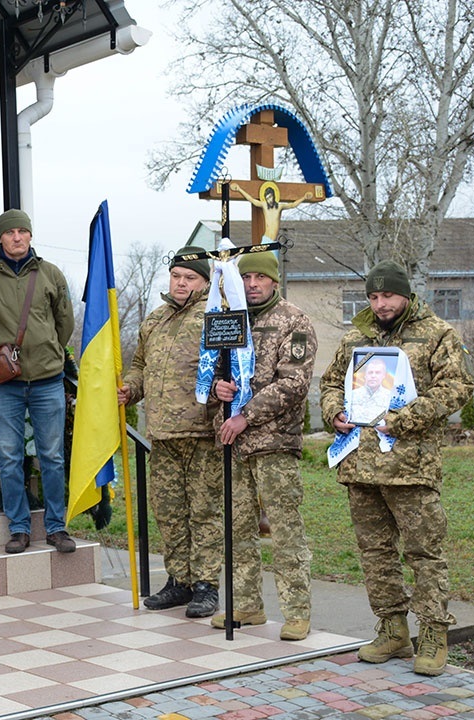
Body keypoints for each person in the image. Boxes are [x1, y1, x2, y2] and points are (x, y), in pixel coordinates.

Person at [320, 260, 473, 676]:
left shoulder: (437, 333)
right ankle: (393, 629)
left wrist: (404, 417)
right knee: (375, 553)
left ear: (406, 294)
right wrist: (333, 411)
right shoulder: (357, 337)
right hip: (359, 464)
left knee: (425, 551)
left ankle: (434, 633)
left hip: (410, 466)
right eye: (373, 296)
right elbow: (331, 383)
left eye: (388, 295)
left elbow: (457, 386)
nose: (381, 303)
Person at [213, 251, 317, 641]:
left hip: (273, 443)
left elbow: (293, 384)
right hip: (233, 446)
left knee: (285, 531)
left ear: (274, 281)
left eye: (261, 277)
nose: (253, 283)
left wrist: (246, 415)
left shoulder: (295, 322)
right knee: (237, 529)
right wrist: (217, 390)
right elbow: (213, 369)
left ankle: (296, 612)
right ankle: (247, 604)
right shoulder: (230, 319)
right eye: (247, 277)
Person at [118, 246, 223, 618]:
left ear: (205, 282)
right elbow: (140, 366)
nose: (181, 283)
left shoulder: (216, 317)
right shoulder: (155, 320)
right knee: (169, 512)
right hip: (161, 435)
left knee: (204, 512)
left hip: (202, 435)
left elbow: (231, 369)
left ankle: (206, 586)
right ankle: (179, 580)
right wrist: (129, 389)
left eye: (190, 277)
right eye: (177, 276)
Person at [0, 209, 76, 555]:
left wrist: (49, 351)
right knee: (9, 456)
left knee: (53, 457)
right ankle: (19, 528)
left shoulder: (50, 274)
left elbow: (65, 322)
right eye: (10, 232)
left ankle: (57, 527)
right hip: (4, 385)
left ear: (30, 235)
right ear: (0, 237)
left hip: (47, 381)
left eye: (22, 232)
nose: (17, 237)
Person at [231, 182, 312, 241]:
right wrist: (239, 189)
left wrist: (304, 197)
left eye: (270, 197)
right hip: (267, 237)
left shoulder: (280, 206)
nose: (269, 200)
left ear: (273, 196)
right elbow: (251, 199)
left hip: (275, 239)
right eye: (267, 198)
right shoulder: (264, 205)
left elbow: (292, 205)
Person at [350, 357, 393, 424]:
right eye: (370, 372)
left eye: (377, 373)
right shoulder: (352, 395)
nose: (373, 376)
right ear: (365, 375)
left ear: (384, 375)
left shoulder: (391, 397)